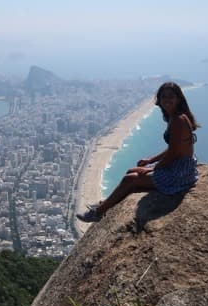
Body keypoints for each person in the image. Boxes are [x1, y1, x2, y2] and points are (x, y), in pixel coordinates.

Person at [77, 82, 199, 223]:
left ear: (178, 98)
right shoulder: (176, 117)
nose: (167, 100)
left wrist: (151, 168)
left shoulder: (178, 120)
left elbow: (172, 153)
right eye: (163, 96)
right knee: (132, 172)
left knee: (130, 179)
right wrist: (150, 161)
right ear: (159, 99)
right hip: (179, 166)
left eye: (171, 96)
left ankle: (97, 213)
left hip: (179, 173)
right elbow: (174, 148)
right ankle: (106, 203)